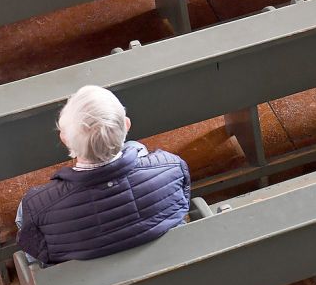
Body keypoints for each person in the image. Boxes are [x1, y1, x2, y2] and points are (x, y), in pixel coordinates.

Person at [16, 85, 190, 265]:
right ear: (127, 125)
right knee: (137, 148)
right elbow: (183, 203)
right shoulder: (172, 167)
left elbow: (35, 248)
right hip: (168, 269)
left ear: (65, 139)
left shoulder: (35, 207)